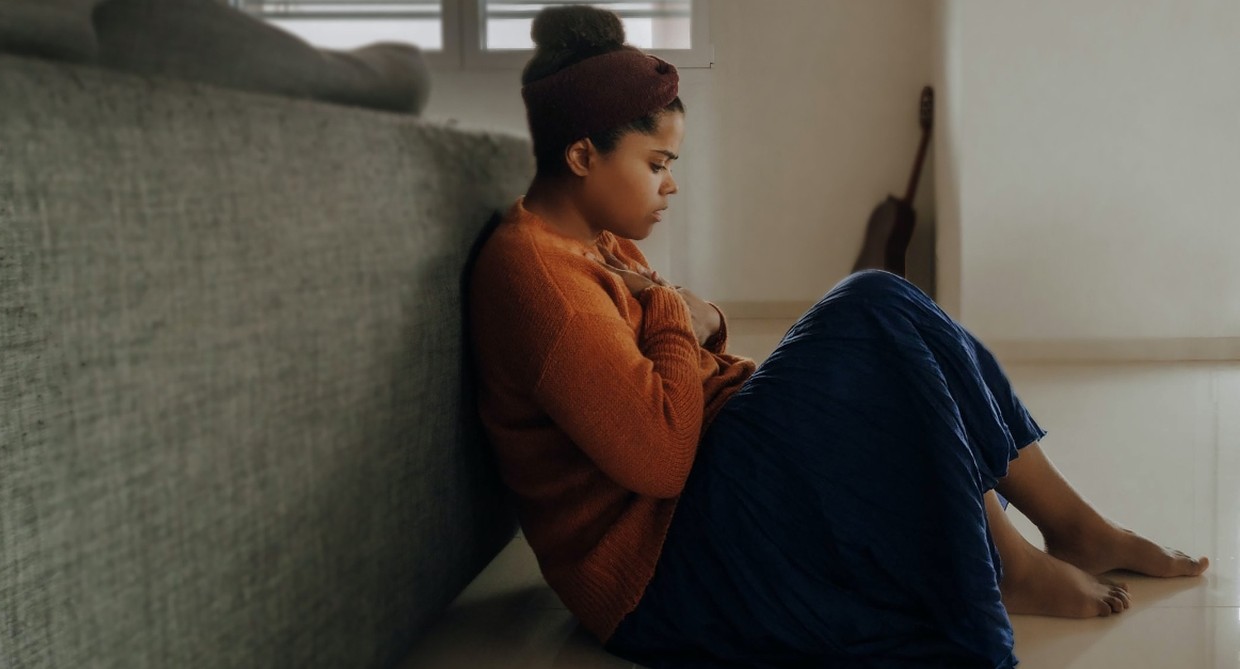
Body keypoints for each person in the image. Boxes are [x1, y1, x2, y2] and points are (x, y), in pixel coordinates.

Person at [466, 6, 1209, 668]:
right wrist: (669, 310)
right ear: (582, 156)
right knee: (869, 310)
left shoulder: (594, 239)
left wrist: (699, 321)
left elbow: (688, 342)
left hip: (701, 490)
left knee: (882, 305)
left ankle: (1073, 527)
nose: (671, 185)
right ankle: (1010, 564)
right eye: (657, 164)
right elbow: (658, 459)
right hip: (661, 569)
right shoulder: (540, 281)